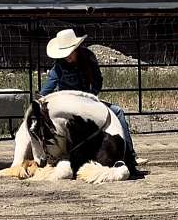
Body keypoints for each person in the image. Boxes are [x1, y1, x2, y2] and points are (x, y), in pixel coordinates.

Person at [40, 28, 136, 157]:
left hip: (88, 101)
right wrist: (40, 100)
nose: (67, 56)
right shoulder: (58, 67)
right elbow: (48, 88)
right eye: (64, 53)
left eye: (70, 52)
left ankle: (129, 153)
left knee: (117, 111)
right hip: (68, 104)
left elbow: (97, 80)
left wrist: (92, 96)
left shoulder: (89, 58)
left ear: (76, 49)